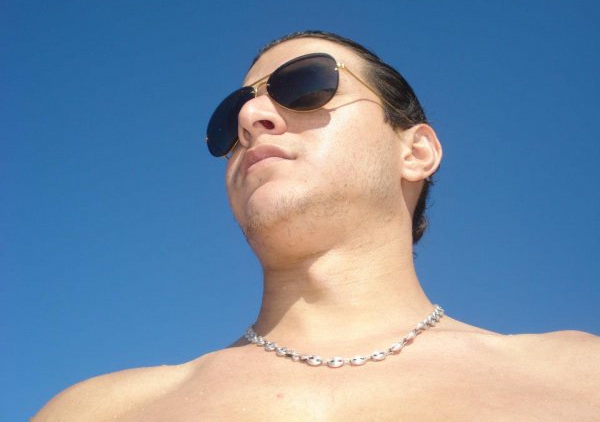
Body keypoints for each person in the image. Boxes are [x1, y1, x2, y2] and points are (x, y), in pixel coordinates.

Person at [35, 31, 599, 421]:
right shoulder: (97, 411)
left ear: (416, 152)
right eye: (228, 118)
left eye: (304, 84)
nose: (251, 117)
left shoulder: (579, 378)